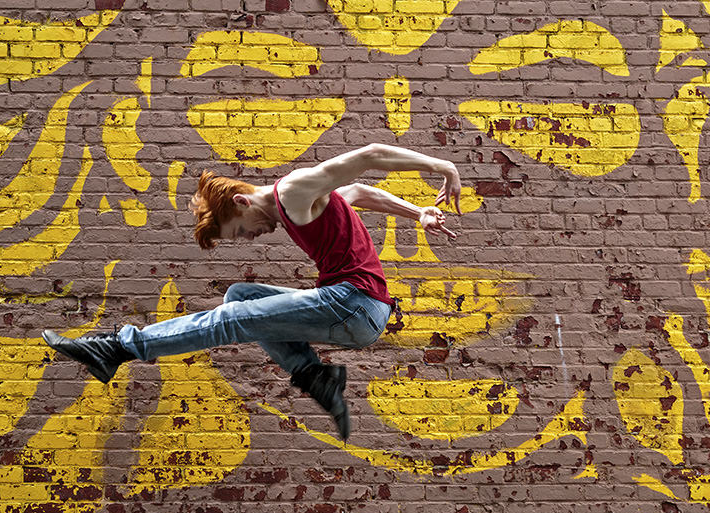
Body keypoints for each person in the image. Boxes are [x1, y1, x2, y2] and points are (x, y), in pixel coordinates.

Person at [43, 143, 462, 439]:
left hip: (352, 303)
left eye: (241, 232)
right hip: (354, 307)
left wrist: (443, 166)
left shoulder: (294, 191)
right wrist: (416, 211)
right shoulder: (307, 202)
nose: (252, 238)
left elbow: (370, 156)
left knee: (230, 321)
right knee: (239, 297)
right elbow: (357, 193)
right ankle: (315, 376)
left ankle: (119, 347)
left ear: (242, 203)